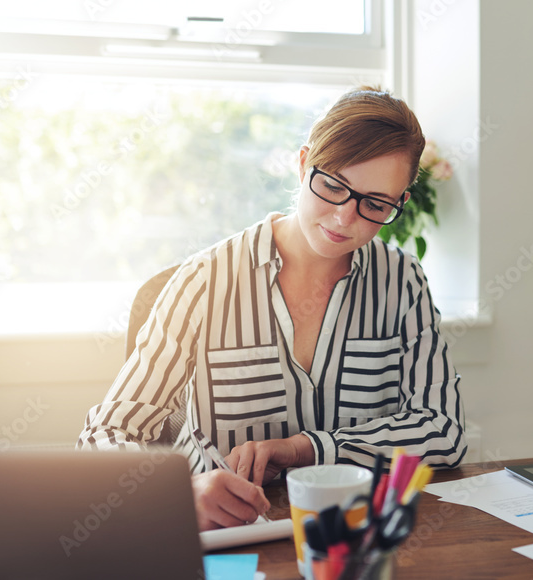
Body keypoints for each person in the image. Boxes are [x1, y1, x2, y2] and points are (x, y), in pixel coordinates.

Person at [77, 86, 466, 531]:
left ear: (398, 204)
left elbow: (442, 431)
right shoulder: (205, 279)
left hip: (350, 536)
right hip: (226, 538)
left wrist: (306, 447)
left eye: (375, 204)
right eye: (334, 186)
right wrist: (179, 495)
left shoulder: (403, 281)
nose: (345, 218)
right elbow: (105, 433)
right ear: (303, 165)